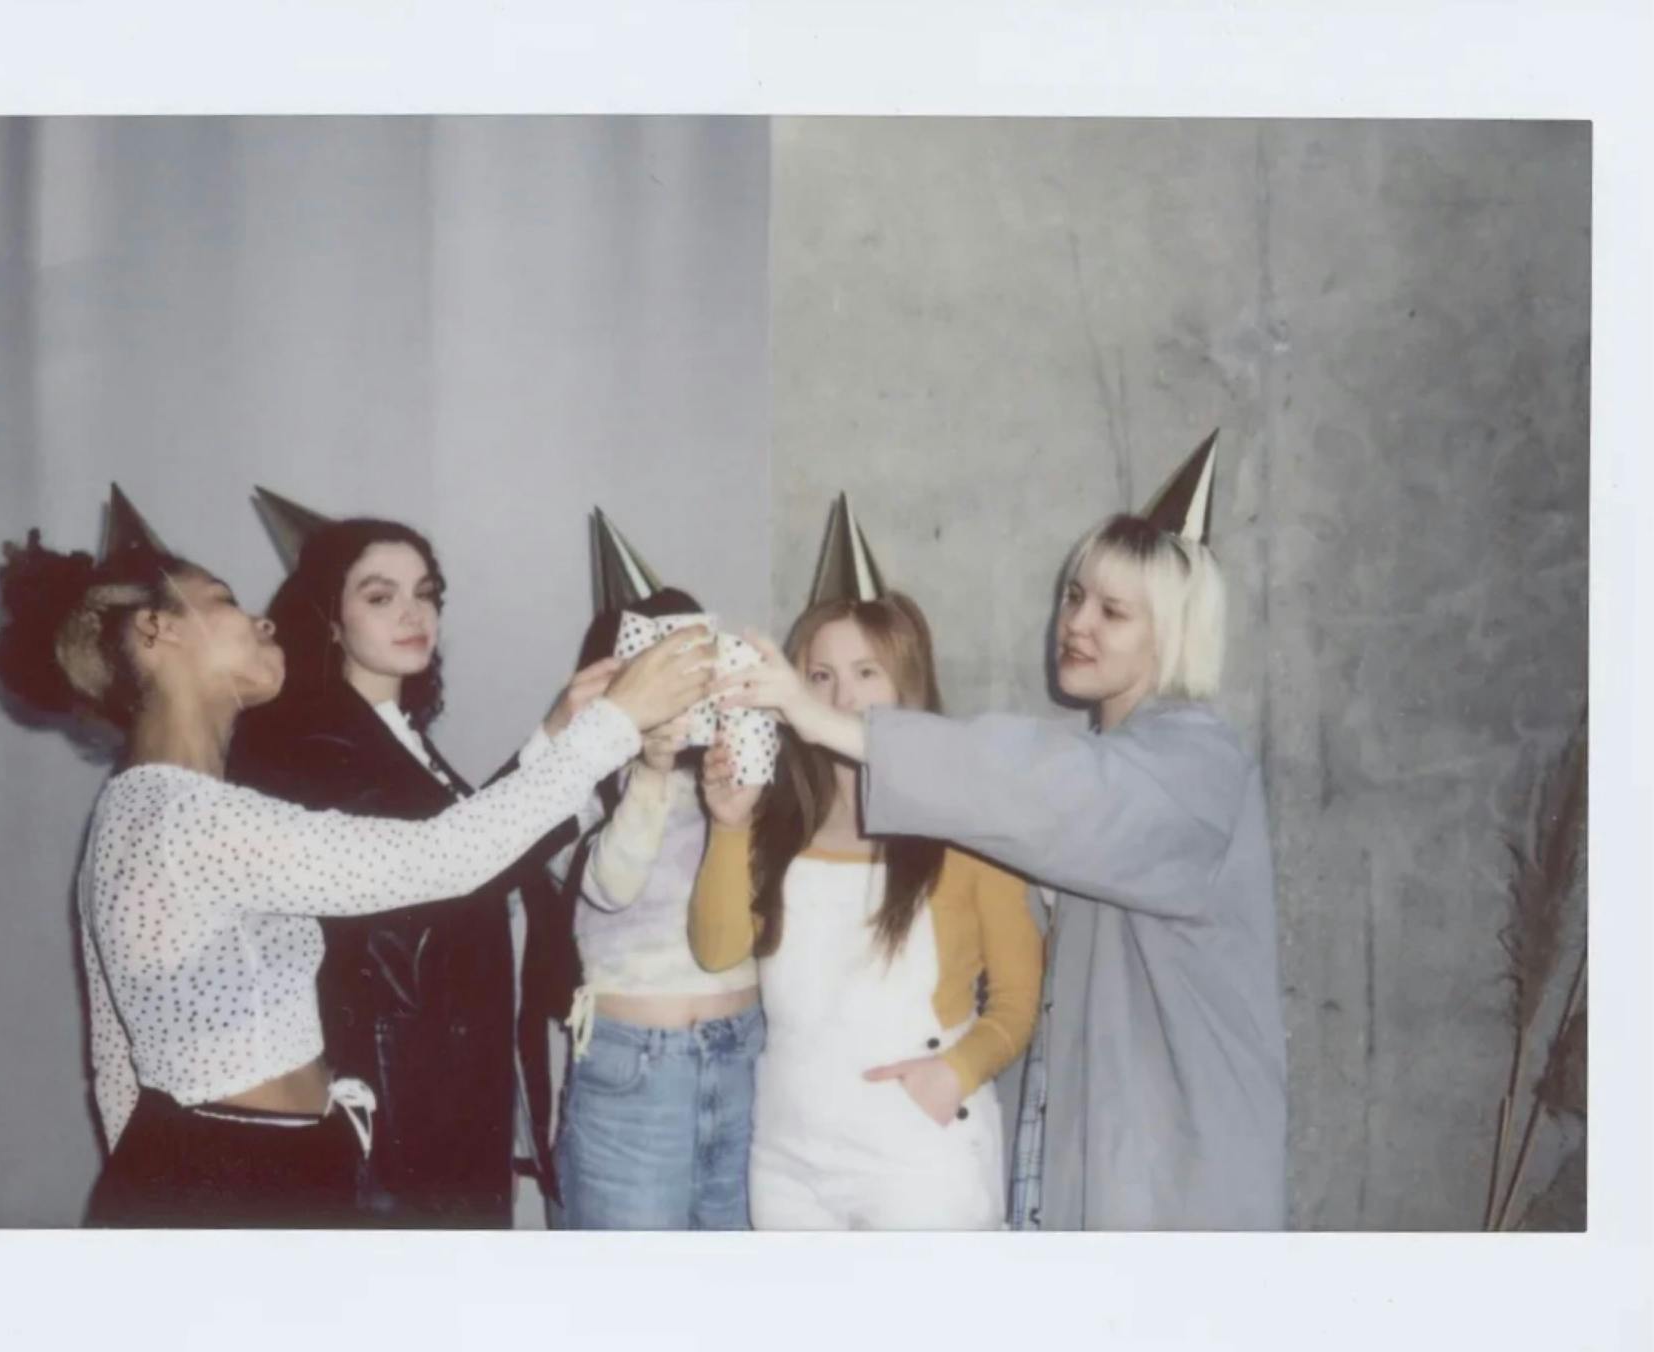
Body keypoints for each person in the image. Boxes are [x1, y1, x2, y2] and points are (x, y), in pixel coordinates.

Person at [0, 487, 714, 1226]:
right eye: (226, 600)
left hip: (266, 1162)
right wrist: (616, 723)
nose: (263, 617)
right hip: (235, 1179)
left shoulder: (136, 811)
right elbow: (442, 858)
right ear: (157, 630)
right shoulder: (187, 820)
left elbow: (117, 1070)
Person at [721, 438, 1288, 1229]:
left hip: (1173, 1166)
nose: (1077, 622)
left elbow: (1056, 794)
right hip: (1093, 1150)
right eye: (1074, 595)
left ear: (1176, 631)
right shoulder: (1120, 759)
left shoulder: (1196, 766)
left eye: (1113, 611)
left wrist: (825, 718)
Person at [228, 497, 588, 1227]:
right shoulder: (323, 751)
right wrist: (590, 759)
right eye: (379, 595)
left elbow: (463, 838)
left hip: (451, 1068)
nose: (412, 613)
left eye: (426, 593)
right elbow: (453, 870)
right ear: (331, 618)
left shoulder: (396, 733)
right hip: (398, 1082)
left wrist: (557, 731)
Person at [689, 498, 1044, 1230]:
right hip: (788, 1161)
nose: (842, 696)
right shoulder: (776, 820)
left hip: (922, 1156)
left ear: (909, 683)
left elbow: (1017, 997)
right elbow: (717, 950)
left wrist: (957, 1073)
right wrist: (729, 827)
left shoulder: (965, 824)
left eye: (866, 672)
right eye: (818, 677)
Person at [548, 510, 764, 1230]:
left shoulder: (742, 765)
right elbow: (611, 886)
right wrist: (649, 764)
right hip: (632, 1066)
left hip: (745, 1056)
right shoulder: (571, 775)